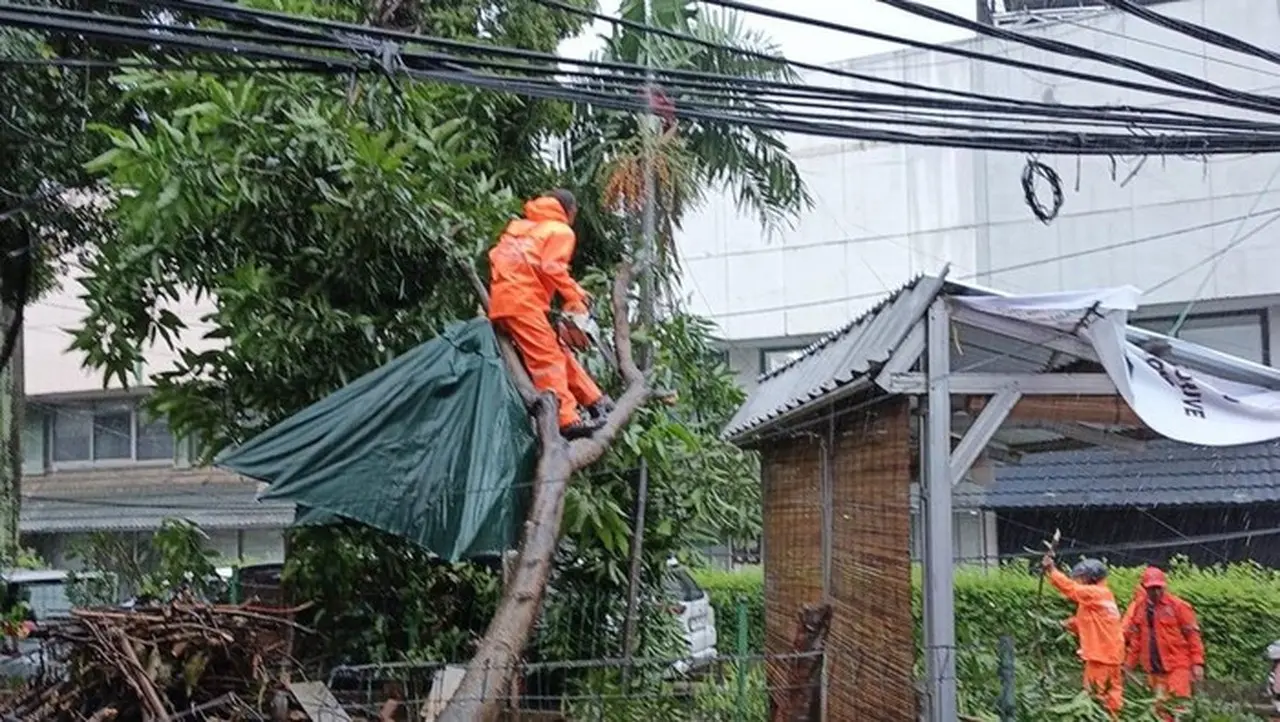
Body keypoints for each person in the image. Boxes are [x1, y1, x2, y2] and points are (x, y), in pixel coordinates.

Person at [488, 189, 613, 439]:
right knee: (548, 359)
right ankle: (566, 419)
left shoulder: (523, 228)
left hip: (506, 299)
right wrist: (576, 295)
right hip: (523, 302)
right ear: (571, 210)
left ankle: (596, 400)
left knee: (557, 351)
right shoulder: (560, 230)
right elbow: (552, 267)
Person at [1043, 554, 1126, 719]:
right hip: (1112, 656)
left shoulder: (1096, 593)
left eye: (1081, 578)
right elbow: (1088, 620)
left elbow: (1071, 589)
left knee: (1095, 699)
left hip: (1100, 657)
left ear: (1091, 578)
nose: (1078, 581)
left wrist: (1051, 570)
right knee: (1112, 700)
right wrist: (1064, 624)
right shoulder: (1103, 596)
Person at [1122, 566, 1205, 720]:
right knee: (1159, 710)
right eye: (1152, 588)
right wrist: (1129, 664)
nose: (1156, 592)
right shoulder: (1140, 608)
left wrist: (1197, 663)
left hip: (1177, 666)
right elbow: (1136, 640)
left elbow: (1193, 635)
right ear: (1145, 589)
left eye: (1159, 588)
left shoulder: (1178, 606)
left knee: (1177, 706)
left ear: (1164, 586)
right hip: (1154, 669)